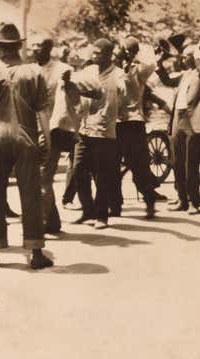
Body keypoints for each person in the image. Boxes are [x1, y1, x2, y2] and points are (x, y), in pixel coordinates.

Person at [0, 22, 52, 269]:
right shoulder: (34, 72)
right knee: (30, 194)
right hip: (26, 137)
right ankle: (35, 251)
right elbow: (42, 113)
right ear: (18, 47)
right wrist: (47, 142)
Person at [67, 38, 127, 229]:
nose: (94, 56)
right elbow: (75, 83)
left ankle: (102, 215)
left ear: (109, 55)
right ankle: (88, 211)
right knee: (78, 170)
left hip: (104, 130)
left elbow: (123, 90)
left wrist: (120, 90)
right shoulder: (89, 71)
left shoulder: (118, 74)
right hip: (84, 128)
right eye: (93, 52)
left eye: (98, 53)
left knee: (102, 175)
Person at [157, 45, 200, 215]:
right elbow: (166, 81)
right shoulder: (184, 75)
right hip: (178, 119)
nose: (184, 59)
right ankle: (182, 199)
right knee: (176, 162)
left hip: (192, 121)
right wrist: (159, 63)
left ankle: (193, 201)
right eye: (184, 56)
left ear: (195, 58)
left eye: (188, 56)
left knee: (191, 163)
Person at [30, 34, 76, 233]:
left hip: (53, 132)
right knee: (40, 178)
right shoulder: (29, 70)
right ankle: (53, 221)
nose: (33, 49)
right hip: (33, 131)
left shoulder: (62, 70)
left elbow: (73, 98)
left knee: (43, 177)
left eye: (38, 46)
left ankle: (40, 224)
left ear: (48, 49)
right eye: (32, 46)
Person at [112, 36, 158, 219]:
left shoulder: (138, 69)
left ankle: (149, 200)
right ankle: (114, 204)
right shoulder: (113, 71)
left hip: (133, 121)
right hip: (115, 122)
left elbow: (152, 65)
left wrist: (134, 57)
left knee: (138, 166)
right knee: (111, 166)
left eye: (126, 51)